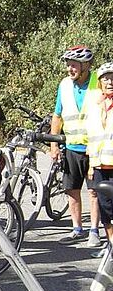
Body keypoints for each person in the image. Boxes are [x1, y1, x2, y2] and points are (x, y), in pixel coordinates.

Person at [51, 45, 101, 247]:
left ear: (86, 65)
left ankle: (94, 230)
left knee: (94, 191)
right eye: (68, 65)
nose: (70, 69)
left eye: (74, 65)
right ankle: (77, 228)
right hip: (72, 146)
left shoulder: (100, 81)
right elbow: (58, 115)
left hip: (95, 147)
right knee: (72, 189)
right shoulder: (64, 85)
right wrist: (54, 145)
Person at [85, 62, 113, 257]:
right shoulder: (96, 106)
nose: (109, 82)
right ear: (100, 82)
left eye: (112, 78)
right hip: (99, 164)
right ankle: (111, 244)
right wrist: (91, 164)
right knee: (106, 210)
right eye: (105, 78)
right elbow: (92, 136)